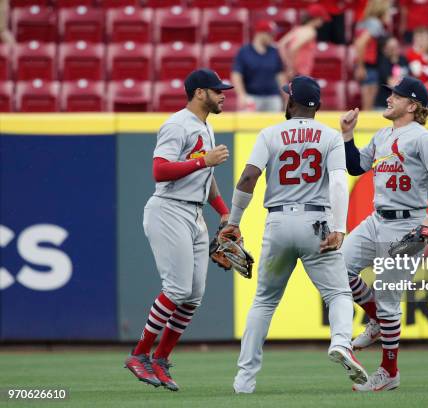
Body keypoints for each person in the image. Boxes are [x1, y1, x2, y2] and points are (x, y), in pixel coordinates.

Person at [223, 76, 368, 394]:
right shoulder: (330, 136)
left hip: (278, 222)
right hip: (317, 222)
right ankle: (341, 343)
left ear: (291, 101)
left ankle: (244, 380)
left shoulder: (269, 134)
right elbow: (341, 183)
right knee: (338, 294)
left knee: (263, 302)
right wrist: (341, 228)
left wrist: (234, 221)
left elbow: (249, 178)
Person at [341, 76, 428, 391]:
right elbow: (355, 167)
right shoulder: (382, 134)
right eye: (390, 93)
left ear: (412, 105)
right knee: (337, 266)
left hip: (409, 224)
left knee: (390, 299)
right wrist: (347, 135)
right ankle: (376, 319)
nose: (389, 98)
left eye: (396, 95)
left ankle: (389, 372)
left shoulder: (424, 138)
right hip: (377, 219)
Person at [124, 69, 233, 391]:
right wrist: (203, 160)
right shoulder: (176, 124)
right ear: (200, 93)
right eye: (217, 90)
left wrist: (225, 213)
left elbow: (205, 178)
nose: (223, 94)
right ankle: (139, 355)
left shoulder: (205, 127)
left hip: (194, 212)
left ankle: (160, 359)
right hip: (169, 209)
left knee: (193, 296)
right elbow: (160, 170)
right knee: (176, 289)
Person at [231, 21, 286, 112]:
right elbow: (236, 75)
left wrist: (284, 95)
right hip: (251, 97)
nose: (273, 37)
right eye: (270, 34)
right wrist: (241, 95)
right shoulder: (244, 52)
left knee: (274, 125)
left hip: (273, 97)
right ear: (260, 34)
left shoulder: (274, 52)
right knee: (248, 125)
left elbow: (279, 75)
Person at [354, 0, 392, 110]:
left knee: (368, 106)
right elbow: (360, 43)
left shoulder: (364, 21)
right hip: (369, 68)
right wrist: (361, 67)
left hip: (369, 67)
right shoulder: (375, 23)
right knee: (368, 108)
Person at [278, 4, 331, 78]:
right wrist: (291, 67)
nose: (322, 22)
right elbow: (293, 48)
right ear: (316, 18)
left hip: (295, 71)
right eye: (321, 19)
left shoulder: (298, 29)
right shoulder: (311, 32)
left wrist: (286, 63)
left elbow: (281, 44)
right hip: (301, 72)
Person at [374, 36, 410, 109]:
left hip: (400, 106)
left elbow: (410, 78)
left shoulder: (403, 60)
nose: (395, 49)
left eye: (397, 46)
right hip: (384, 105)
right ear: (385, 49)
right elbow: (392, 84)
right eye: (392, 47)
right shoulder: (383, 62)